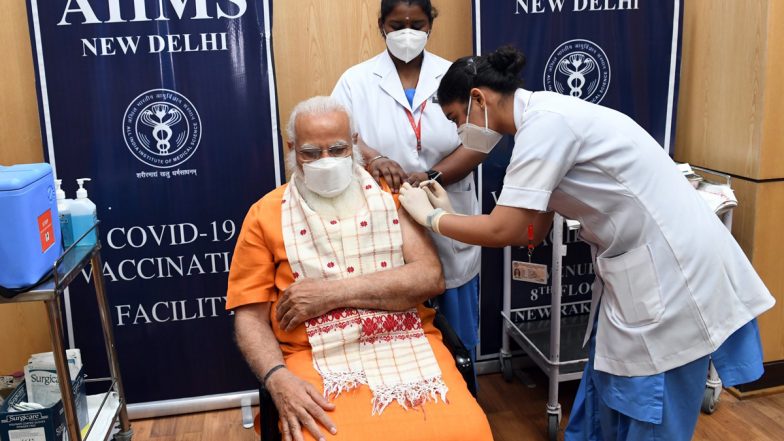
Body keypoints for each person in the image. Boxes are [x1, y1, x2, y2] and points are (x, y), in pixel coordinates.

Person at [399, 46, 776, 441]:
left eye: (458, 120)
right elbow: (534, 230)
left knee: (647, 410)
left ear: (479, 98)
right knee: (606, 397)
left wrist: (433, 218)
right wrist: (448, 214)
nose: (462, 132)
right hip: (637, 270)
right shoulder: (540, 124)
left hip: (673, 276)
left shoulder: (547, 126)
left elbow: (503, 230)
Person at [227, 96, 493, 441]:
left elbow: (429, 277)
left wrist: (330, 293)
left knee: (468, 432)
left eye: (337, 150)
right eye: (310, 153)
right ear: (292, 149)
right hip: (314, 354)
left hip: (405, 337)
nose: (326, 161)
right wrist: (277, 377)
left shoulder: (390, 196)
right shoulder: (264, 214)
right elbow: (249, 317)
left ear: (354, 143)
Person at [331, 0, 484, 357]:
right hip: (386, 215)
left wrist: (432, 176)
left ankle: (466, 403)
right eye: (397, 25)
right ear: (381, 25)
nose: (407, 34)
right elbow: (343, 136)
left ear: (431, 24)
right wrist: (375, 158)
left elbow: (480, 143)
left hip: (448, 208)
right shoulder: (356, 81)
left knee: (458, 332)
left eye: (416, 25)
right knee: (398, 329)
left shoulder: (455, 76)